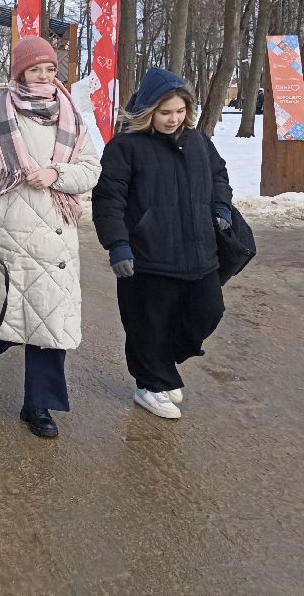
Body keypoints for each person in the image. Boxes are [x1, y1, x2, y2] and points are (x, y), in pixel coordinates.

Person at [0, 36, 101, 439]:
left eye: (50, 69)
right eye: (35, 69)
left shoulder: (72, 117)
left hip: (57, 236)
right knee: (8, 317)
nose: (44, 76)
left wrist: (57, 174)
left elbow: (92, 169)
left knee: (48, 324)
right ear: (19, 72)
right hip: (11, 234)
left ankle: (37, 406)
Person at [92, 67, 233, 420]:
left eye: (180, 111)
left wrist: (220, 206)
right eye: (165, 112)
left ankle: (161, 367)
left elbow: (219, 175)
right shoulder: (125, 147)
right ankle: (149, 384)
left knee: (208, 312)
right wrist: (118, 244)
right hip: (148, 255)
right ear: (148, 111)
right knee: (149, 323)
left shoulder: (198, 141)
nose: (174, 119)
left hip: (200, 251)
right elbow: (109, 200)